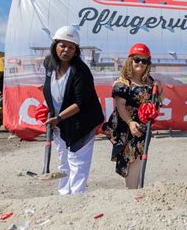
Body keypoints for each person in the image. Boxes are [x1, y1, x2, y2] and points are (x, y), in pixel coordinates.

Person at [42, 25, 104, 195]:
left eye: (71, 47)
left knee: (77, 160)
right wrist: (48, 105)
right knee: (63, 160)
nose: (66, 50)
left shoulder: (80, 70)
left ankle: (77, 196)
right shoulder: (49, 64)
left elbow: (80, 103)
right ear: (55, 45)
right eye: (63, 45)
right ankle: (64, 194)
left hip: (81, 121)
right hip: (60, 121)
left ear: (76, 51)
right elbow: (51, 88)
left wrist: (58, 118)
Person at [103, 43, 163, 189]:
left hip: (142, 128)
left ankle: (136, 190)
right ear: (130, 60)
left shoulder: (150, 81)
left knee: (138, 158)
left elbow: (159, 102)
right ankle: (133, 192)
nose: (140, 63)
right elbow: (120, 105)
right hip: (127, 126)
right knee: (131, 159)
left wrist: (160, 90)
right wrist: (130, 122)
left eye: (145, 61)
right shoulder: (123, 82)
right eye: (137, 59)